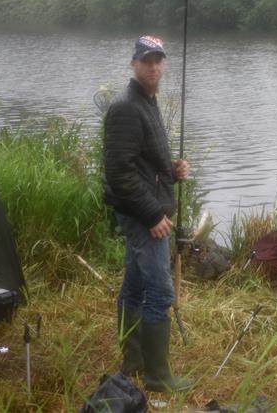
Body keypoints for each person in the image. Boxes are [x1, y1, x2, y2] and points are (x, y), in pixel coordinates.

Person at [102, 35, 194, 393]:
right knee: (159, 293)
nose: (153, 67)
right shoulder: (126, 107)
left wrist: (172, 170)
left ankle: (134, 360)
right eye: (146, 61)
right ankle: (158, 377)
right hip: (143, 216)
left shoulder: (147, 101)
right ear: (133, 64)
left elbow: (142, 162)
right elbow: (119, 174)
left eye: (158, 61)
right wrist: (154, 215)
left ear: (163, 64)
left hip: (143, 210)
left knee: (135, 286)